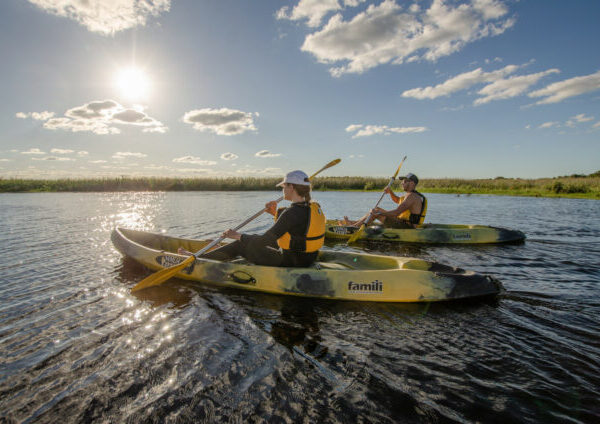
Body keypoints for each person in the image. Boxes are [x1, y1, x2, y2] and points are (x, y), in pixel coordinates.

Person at [178, 170, 326, 267]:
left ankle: (198, 259)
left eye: (284, 186)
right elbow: (296, 227)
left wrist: (237, 236)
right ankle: (220, 252)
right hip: (307, 258)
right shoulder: (311, 207)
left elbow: (264, 241)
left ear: (291, 187)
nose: (282, 189)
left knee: (240, 244)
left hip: (291, 262)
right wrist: (274, 213)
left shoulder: (291, 212)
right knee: (256, 239)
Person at [343, 173, 427, 229]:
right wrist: (390, 192)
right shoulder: (410, 195)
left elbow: (396, 213)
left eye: (404, 181)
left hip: (407, 227)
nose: (402, 183)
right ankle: (355, 224)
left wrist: (379, 214)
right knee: (376, 209)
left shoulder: (412, 196)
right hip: (402, 222)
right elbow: (398, 201)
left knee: (376, 211)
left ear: (412, 183)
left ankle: (353, 228)